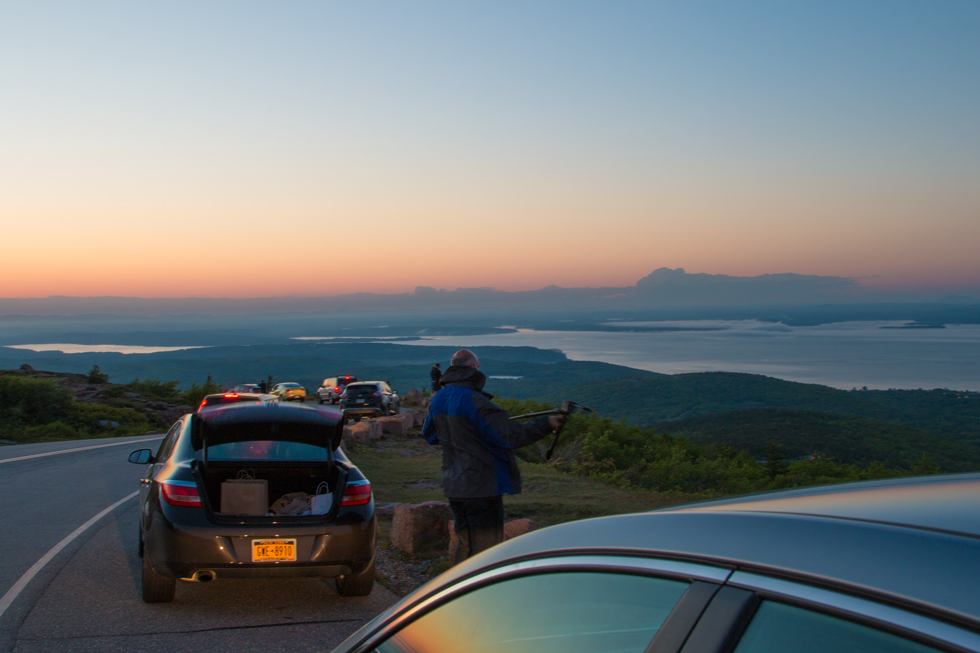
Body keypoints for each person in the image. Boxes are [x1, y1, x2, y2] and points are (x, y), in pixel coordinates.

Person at [422, 349, 564, 563]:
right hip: (481, 486)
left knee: (465, 543)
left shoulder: (439, 398)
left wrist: (460, 436)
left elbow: (430, 435)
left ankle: (455, 589)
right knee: (486, 550)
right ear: (471, 367)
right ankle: (479, 592)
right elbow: (509, 436)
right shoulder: (474, 400)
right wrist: (546, 424)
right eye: (477, 367)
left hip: (455, 485)